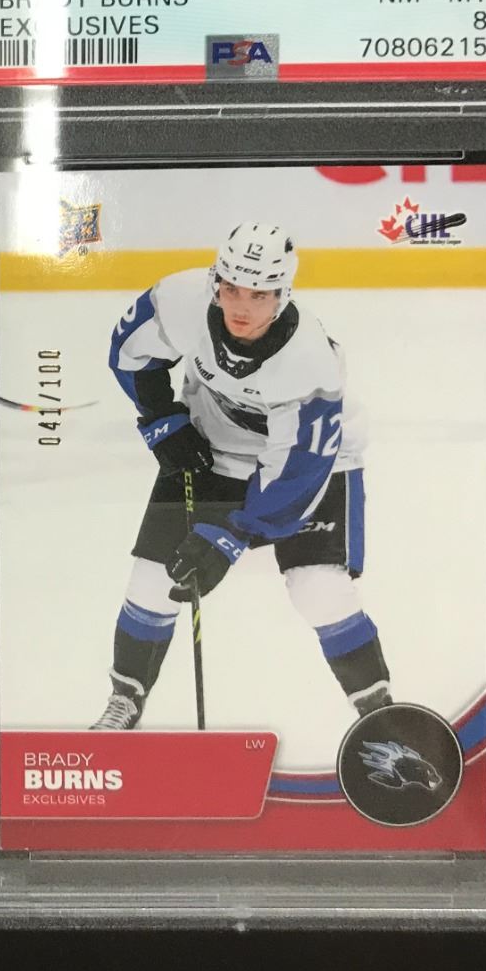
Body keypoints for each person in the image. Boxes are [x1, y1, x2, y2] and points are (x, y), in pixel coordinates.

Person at [93, 221, 391, 729]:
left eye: (259, 294)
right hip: (213, 447)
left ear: (283, 294)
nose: (241, 307)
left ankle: (382, 718)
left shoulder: (311, 363)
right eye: (231, 287)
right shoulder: (181, 300)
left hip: (317, 464)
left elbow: (298, 472)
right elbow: (130, 351)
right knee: (152, 580)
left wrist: (232, 536)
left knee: (318, 588)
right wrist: (161, 418)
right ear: (215, 280)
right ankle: (124, 703)